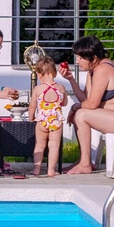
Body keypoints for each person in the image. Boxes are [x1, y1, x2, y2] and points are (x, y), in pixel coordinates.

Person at [66, 34, 114, 174]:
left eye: (81, 58)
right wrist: (71, 79)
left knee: (81, 114)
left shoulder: (103, 69)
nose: (77, 61)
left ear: (94, 58)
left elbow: (91, 105)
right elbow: (86, 100)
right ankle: (83, 161)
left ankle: (85, 164)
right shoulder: (93, 71)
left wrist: (74, 107)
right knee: (81, 113)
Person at [27, 48, 72, 177]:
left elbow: (32, 106)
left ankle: (36, 169)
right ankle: (51, 170)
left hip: (42, 120)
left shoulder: (38, 89)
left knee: (39, 145)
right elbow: (64, 103)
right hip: (56, 121)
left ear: (39, 74)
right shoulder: (61, 88)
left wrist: (31, 117)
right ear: (54, 73)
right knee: (54, 146)